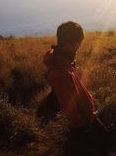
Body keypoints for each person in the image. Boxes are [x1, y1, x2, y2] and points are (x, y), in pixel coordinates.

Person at [43, 21, 108, 155]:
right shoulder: (61, 70)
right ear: (67, 43)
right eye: (77, 43)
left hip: (87, 115)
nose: (79, 46)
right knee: (100, 145)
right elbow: (67, 102)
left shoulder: (64, 61)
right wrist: (80, 123)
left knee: (104, 140)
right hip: (83, 122)